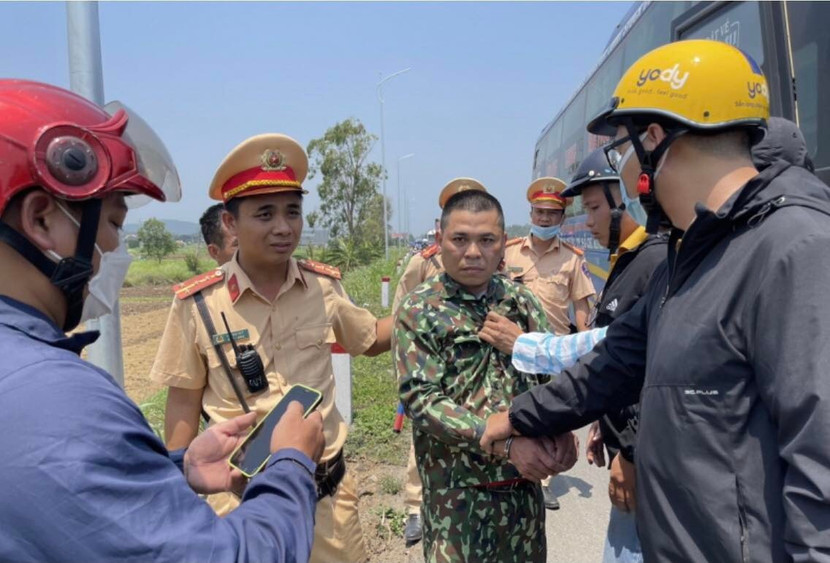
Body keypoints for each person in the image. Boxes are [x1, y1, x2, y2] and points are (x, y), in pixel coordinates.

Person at [481, 39, 830, 561]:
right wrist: (521, 416)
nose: (623, 170)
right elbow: (615, 361)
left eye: (622, 149)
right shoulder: (688, 257)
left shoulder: (794, 250)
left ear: (655, 139)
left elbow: (820, 468)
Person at [0, 79, 325, 562]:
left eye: (292, 213)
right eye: (111, 223)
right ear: (42, 219)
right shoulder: (57, 400)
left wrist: (174, 469)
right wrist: (292, 463)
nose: (113, 248)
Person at [151, 133, 392, 563]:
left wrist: (425, 309)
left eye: (293, 212)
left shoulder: (324, 286)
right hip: (239, 503)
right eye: (265, 214)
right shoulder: (199, 304)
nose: (283, 227)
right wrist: (180, 489)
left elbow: (370, 339)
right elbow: (183, 403)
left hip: (326, 499)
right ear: (230, 223)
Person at [482, 147, 668, 562]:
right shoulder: (630, 260)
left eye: (596, 208)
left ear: (629, 200)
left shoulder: (652, 264)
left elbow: (629, 360)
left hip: (645, 458)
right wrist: (606, 421)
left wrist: (633, 451)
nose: (589, 220)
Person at [395, 189, 578, 563]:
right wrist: (502, 443)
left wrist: (563, 428)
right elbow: (421, 400)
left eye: (487, 240)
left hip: (522, 496)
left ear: (502, 244)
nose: (473, 252)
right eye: (460, 239)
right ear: (439, 240)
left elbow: (547, 377)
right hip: (457, 499)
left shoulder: (521, 302)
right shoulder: (420, 309)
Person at [391, 177, 487, 546]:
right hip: (429, 367)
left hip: (476, 372)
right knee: (428, 434)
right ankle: (416, 506)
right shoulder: (422, 262)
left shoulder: (491, 263)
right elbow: (402, 310)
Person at [502, 177, 596, 509]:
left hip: (554, 355)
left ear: (560, 219)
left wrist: (588, 352)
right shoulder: (509, 252)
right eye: (539, 212)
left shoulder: (572, 259)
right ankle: (513, 468)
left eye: (551, 214)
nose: (544, 219)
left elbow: (582, 307)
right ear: (531, 212)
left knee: (552, 416)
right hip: (514, 351)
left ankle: (542, 481)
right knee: (515, 411)